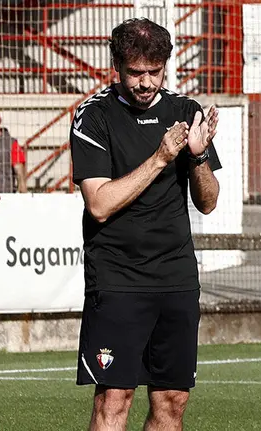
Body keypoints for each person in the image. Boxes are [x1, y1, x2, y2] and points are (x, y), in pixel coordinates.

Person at [69, 18, 220, 431]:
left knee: (172, 401)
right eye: (136, 72)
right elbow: (99, 205)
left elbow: (208, 203)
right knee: (114, 400)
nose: (145, 82)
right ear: (116, 65)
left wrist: (199, 157)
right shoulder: (93, 116)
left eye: (155, 71)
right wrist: (160, 158)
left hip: (176, 277)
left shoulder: (185, 111)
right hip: (118, 277)